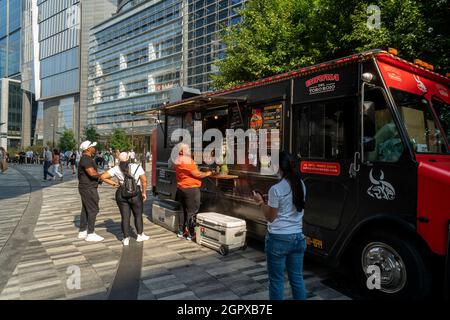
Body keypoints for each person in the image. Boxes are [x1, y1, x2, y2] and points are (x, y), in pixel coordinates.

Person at [253, 151, 307, 300]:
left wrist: (260, 203)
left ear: (278, 167)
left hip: (278, 240)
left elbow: (270, 217)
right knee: (297, 279)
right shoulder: (301, 185)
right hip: (298, 238)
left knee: (276, 282)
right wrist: (269, 201)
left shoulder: (276, 189)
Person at [100, 152, 150, 246]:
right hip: (135, 194)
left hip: (121, 194)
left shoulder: (116, 168)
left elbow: (103, 177)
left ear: (119, 160)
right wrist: (144, 193)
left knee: (125, 217)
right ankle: (140, 235)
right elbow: (144, 181)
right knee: (138, 215)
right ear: (128, 158)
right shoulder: (137, 167)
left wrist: (114, 184)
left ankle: (126, 238)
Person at [174, 143, 212, 240]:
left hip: (181, 188)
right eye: (187, 149)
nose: (189, 150)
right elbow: (197, 174)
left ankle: (181, 231)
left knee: (183, 211)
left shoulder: (178, 159)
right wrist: (208, 173)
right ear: (181, 151)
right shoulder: (187, 161)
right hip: (191, 189)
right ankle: (191, 234)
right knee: (192, 212)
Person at [77, 140, 104, 242]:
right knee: (93, 209)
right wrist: (103, 175)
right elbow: (92, 173)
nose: (94, 148)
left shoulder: (86, 158)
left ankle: (82, 231)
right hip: (88, 188)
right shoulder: (86, 159)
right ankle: (91, 233)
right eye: (93, 146)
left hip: (85, 187)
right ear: (88, 149)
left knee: (85, 209)